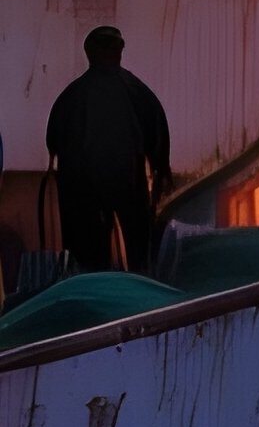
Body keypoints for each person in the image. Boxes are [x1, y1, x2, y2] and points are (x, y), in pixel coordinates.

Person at [45, 26, 171, 273]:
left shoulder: (71, 97)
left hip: (83, 189)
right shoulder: (135, 91)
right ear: (118, 52)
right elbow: (158, 134)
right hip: (125, 183)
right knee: (137, 254)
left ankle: (96, 290)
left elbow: (53, 144)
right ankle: (137, 293)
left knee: (90, 258)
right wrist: (160, 168)